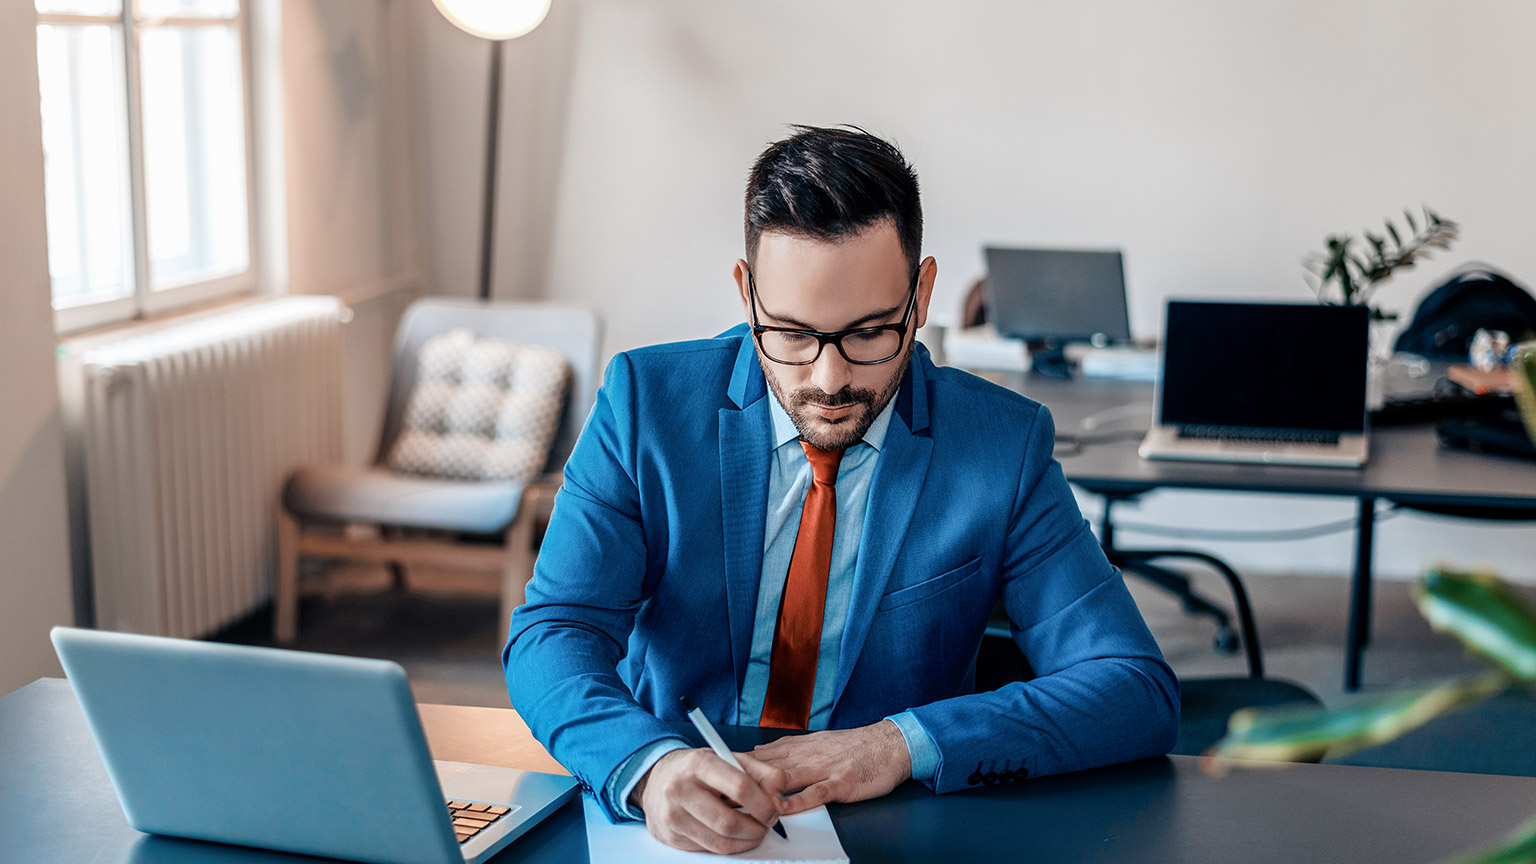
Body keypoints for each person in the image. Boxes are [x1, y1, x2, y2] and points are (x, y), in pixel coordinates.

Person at [503, 125, 1178, 854]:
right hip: (674, 818)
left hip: (892, 825)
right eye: (790, 334)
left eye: (868, 333)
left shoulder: (1002, 447)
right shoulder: (646, 406)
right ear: (746, 291)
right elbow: (554, 632)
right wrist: (650, 767)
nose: (827, 381)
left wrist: (896, 744)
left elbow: (1132, 687)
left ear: (920, 297)